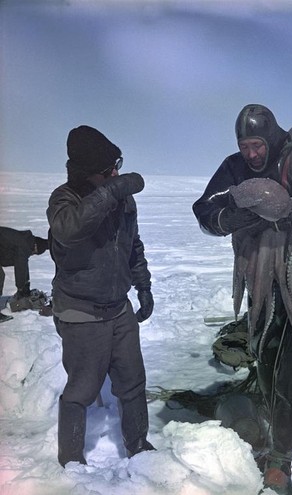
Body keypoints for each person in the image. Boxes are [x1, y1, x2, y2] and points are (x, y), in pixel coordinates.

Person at [193, 104, 292, 495]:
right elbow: (204, 207)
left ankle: (279, 464)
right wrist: (227, 220)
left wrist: (283, 214)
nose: (251, 155)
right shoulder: (235, 168)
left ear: (270, 138)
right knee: (268, 359)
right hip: (270, 279)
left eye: (257, 145)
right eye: (244, 146)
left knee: (290, 372)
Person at [47, 125, 155, 467]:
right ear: (87, 173)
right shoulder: (64, 199)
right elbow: (69, 229)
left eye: (117, 167)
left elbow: (132, 246)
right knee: (82, 388)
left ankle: (138, 446)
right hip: (81, 311)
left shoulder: (122, 200)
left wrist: (144, 286)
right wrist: (111, 192)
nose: (116, 174)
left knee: (133, 381)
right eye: (108, 171)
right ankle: (72, 460)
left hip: (118, 309)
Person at [0, 226, 48, 318]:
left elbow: (23, 264)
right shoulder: (24, 245)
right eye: (34, 253)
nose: (32, 254)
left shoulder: (24, 240)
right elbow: (20, 266)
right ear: (35, 247)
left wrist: (26, 284)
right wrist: (21, 288)